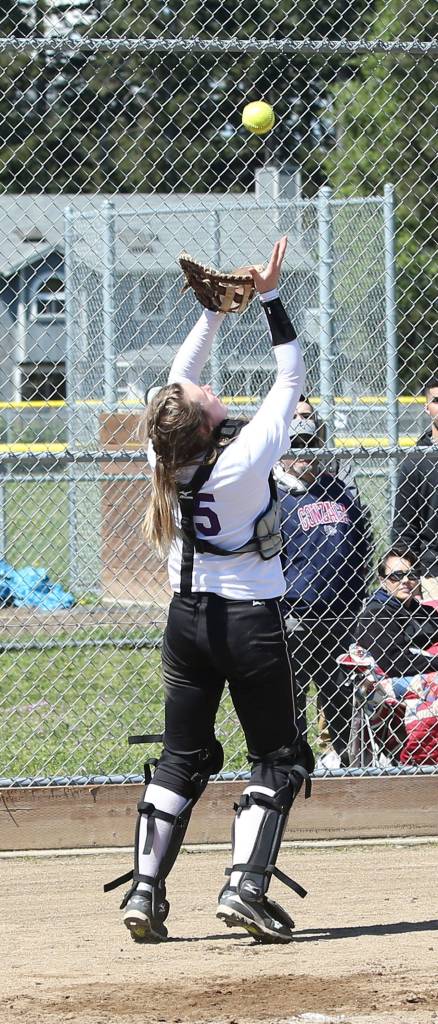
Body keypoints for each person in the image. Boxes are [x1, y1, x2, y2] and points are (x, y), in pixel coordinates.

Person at [108, 237, 314, 946]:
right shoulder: (246, 457)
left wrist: (215, 312)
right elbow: (291, 374)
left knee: (182, 758)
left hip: (186, 622)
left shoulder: (165, 454)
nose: (206, 388)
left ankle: (144, 890)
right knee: (278, 760)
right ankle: (244, 887)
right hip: (250, 626)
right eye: (205, 396)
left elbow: (177, 379)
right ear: (206, 422)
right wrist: (269, 296)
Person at [276, 418, 370, 768]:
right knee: (292, 690)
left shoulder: (339, 490)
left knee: (339, 688)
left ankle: (346, 755)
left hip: (342, 610)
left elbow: (362, 542)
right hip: (296, 610)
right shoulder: (274, 494)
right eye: (297, 444)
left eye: (311, 443)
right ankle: (293, 760)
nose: (304, 453)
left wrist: (357, 592)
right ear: (283, 450)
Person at [354, 545, 438, 678]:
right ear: (383, 581)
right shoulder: (377, 613)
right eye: (396, 576)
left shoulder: (425, 612)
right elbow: (397, 664)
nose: (405, 581)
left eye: (411, 575)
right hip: (396, 682)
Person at [392, 378, 438, 600]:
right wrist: (411, 579)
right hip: (434, 574)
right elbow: (405, 527)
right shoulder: (417, 461)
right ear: (427, 407)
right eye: (437, 400)